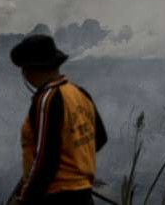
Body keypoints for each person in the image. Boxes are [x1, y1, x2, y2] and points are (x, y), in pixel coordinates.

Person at [8, 34, 108, 205]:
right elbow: (100, 138)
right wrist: (75, 166)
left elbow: (46, 159)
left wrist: (25, 198)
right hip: (82, 194)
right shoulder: (79, 93)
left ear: (29, 70)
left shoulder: (47, 99)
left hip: (56, 196)